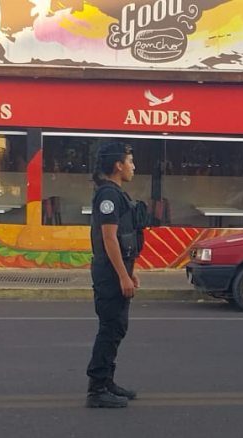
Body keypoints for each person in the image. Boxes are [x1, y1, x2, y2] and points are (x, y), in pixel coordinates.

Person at [86, 142, 146, 409]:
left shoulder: (116, 194)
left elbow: (122, 239)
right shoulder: (108, 196)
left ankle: (107, 380)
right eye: (130, 161)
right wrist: (123, 276)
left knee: (117, 327)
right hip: (109, 273)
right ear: (118, 165)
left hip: (117, 270)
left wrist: (130, 272)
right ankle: (97, 389)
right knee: (110, 328)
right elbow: (109, 239)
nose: (134, 166)